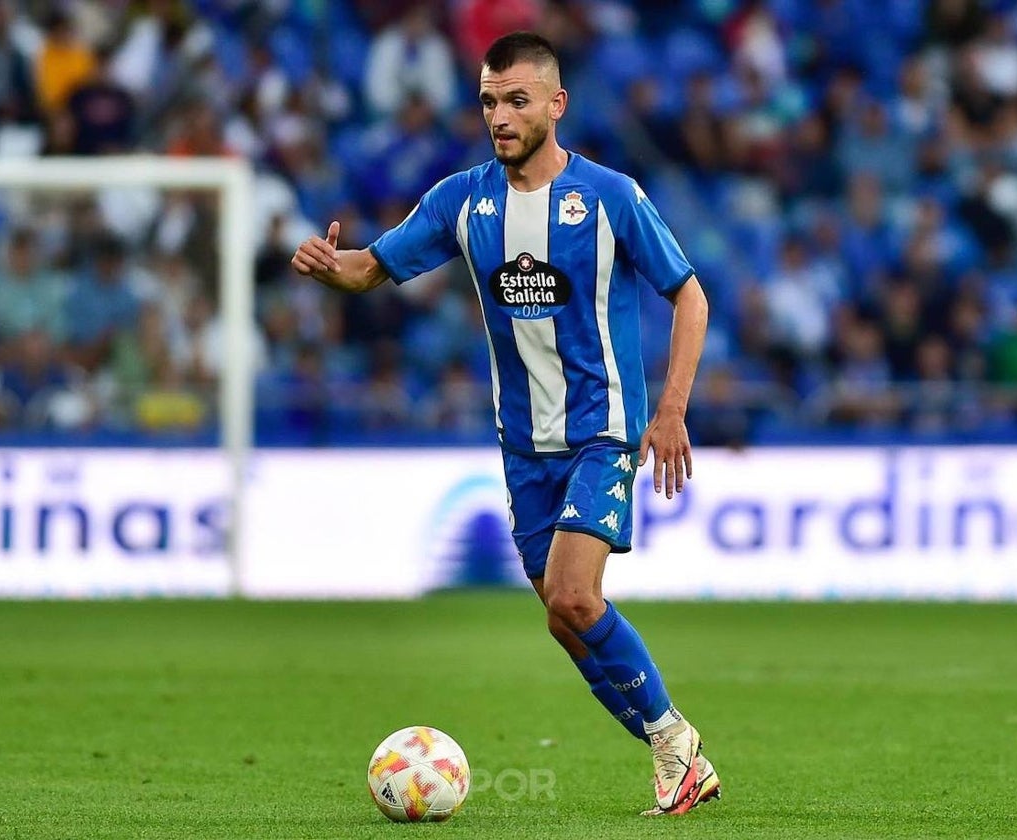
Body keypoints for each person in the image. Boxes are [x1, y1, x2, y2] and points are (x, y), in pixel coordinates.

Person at [292, 32, 716, 816]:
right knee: (564, 621)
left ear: (556, 105)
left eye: (517, 99)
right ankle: (679, 746)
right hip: (524, 446)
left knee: (575, 597)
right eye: (489, 100)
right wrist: (330, 267)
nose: (500, 115)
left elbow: (689, 295)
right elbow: (370, 270)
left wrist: (671, 409)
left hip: (602, 428)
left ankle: (672, 743)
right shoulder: (462, 200)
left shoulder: (611, 197)